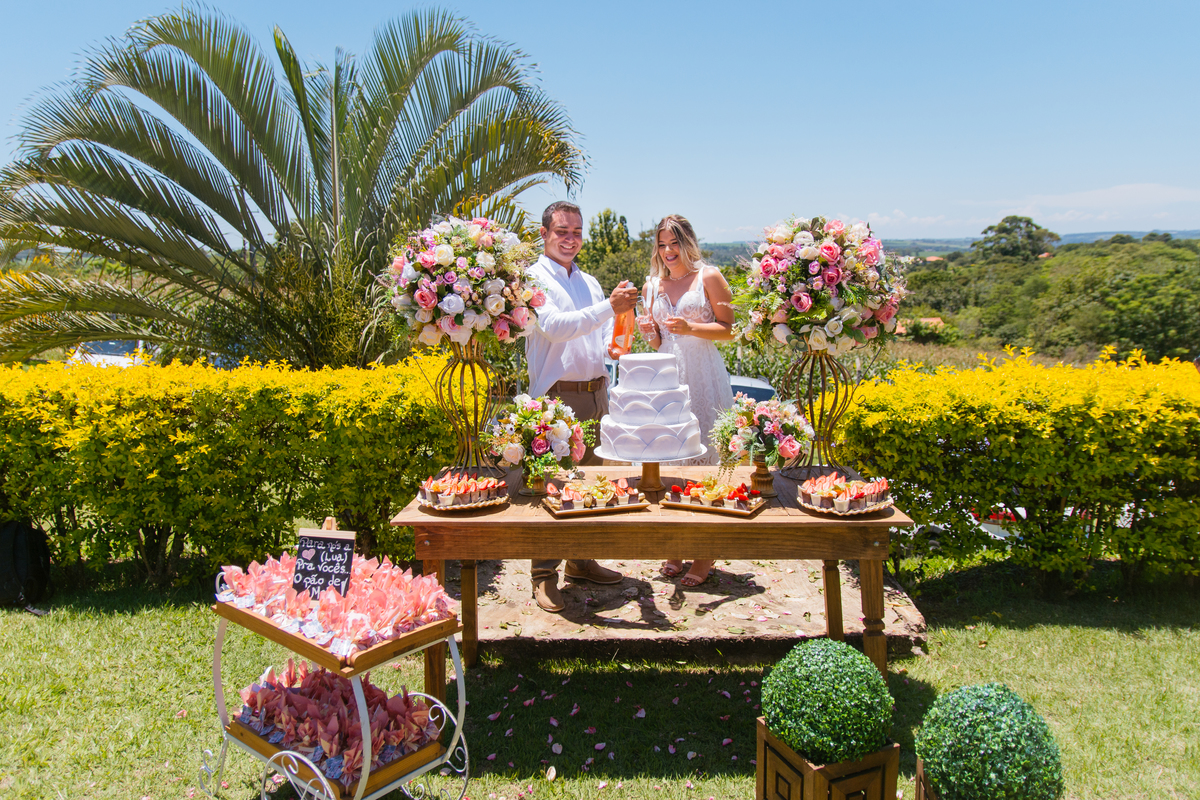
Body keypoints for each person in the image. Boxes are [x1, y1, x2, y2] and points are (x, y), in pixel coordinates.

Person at [524, 200, 640, 612]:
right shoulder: (532, 278)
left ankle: (580, 560)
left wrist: (621, 330)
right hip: (557, 396)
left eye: (576, 232)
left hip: (595, 392)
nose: (570, 239)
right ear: (544, 234)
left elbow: (601, 332)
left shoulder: (589, 280)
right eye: (562, 232)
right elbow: (555, 328)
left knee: (590, 481)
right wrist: (611, 306)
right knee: (554, 483)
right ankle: (543, 574)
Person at [636, 214, 736, 587]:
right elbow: (661, 342)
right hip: (666, 380)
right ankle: (674, 546)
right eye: (661, 244)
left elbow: (729, 330)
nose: (668, 251)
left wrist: (692, 327)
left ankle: (705, 553)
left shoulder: (709, 276)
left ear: (687, 242)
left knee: (705, 463)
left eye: (674, 243)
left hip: (703, 376)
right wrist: (651, 334)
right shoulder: (652, 285)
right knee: (669, 462)